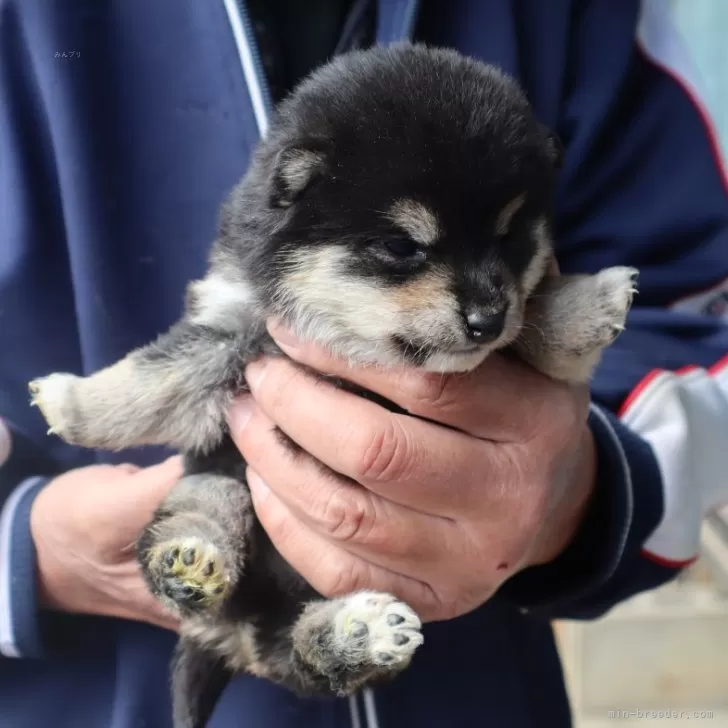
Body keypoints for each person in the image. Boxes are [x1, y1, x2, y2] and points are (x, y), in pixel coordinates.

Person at [1, 1, 727, 727]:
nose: (482, 309)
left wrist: (589, 483)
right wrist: (23, 550)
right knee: (207, 511)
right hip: (80, 694)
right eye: (406, 251)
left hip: (470, 694)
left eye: (505, 245)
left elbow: (693, 303)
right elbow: (179, 371)